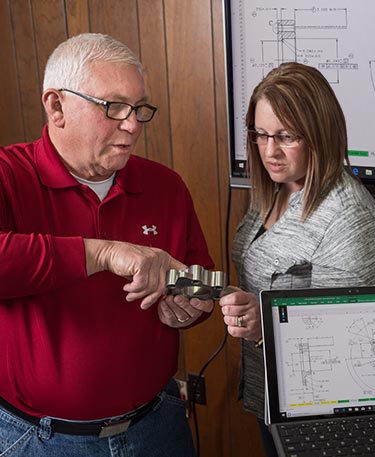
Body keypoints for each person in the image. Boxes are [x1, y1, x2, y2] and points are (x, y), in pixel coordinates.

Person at [0, 33, 214, 456]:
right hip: (39, 439)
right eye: (112, 106)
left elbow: (201, 280)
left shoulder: (165, 186)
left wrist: (192, 306)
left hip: (158, 424)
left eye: (138, 109)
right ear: (56, 106)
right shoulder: (9, 175)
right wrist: (103, 252)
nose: (132, 124)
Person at [218, 62, 375, 456]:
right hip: (270, 396)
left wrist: (263, 326)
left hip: (315, 417)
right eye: (260, 135)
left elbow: (342, 344)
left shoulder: (350, 218)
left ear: (320, 133)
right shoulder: (275, 189)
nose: (269, 151)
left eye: (285, 136)